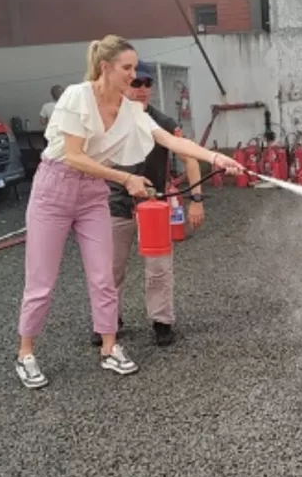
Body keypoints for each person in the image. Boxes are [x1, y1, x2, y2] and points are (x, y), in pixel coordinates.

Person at [14, 35, 244, 390]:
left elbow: (171, 141)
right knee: (42, 282)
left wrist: (215, 157)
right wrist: (126, 178)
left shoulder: (131, 110)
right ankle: (26, 354)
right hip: (54, 190)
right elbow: (74, 156)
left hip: (92, 194)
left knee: (104, 278)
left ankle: (109, 347)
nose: (134, 76)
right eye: (128, 68)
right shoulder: (78, 96)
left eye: (136, 68)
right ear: (105, 67)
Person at [93, 61, 205, 348]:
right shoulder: (107, 118)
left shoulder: (164, 122)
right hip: (115, 204)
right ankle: (108, 322)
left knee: (158, 269)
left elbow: (190, 158)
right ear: (124, 83)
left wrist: (197, 200)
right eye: (136, 83)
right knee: (109, 270)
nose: (142, 89)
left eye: (147, 83)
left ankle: (162, 322)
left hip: (153, 207)